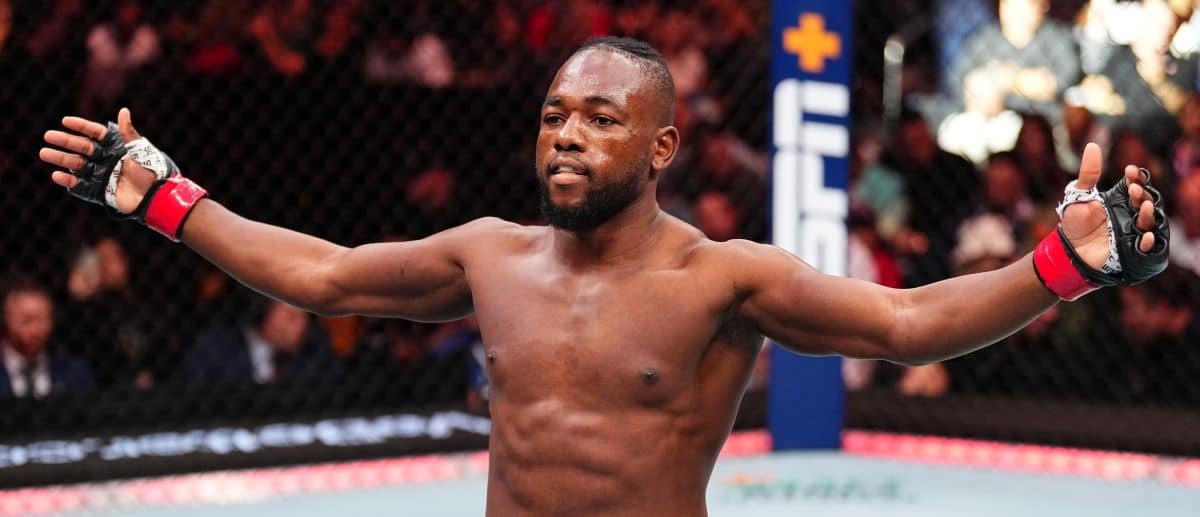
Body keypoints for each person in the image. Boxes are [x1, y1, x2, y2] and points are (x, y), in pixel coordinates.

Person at [39, 37, 1167, 516]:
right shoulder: (488, 254)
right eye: (552, 116)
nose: (566, 137)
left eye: (600, 118)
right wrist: (166, 197)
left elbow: (908, 322)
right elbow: (324, 275)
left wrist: (1066, 262)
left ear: (663, 147)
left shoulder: (724, 278)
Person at [1, 278, 93, 398]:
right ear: (6, 320)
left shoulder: (74, 372)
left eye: (43, 320)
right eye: (26, 320)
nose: (36, 329)